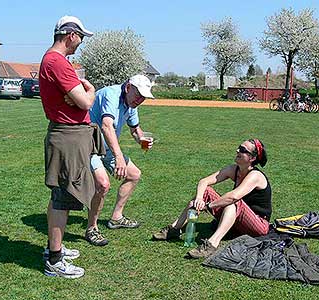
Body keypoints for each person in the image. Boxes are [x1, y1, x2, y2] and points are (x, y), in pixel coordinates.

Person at [39, 15, 98, 278]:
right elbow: (85, 102)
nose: (81, 42)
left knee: (60, 195)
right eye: (81, 37)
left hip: (67, 135)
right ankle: (54, 260)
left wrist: (79, 97)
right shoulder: (57, 62)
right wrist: (90, 91)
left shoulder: (52, 60)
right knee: (62, 198)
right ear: (70, 35)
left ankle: (56, 248)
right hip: (68, 137)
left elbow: (76, 100)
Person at [153, 139, 271, 259]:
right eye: (239, 147)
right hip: (237, 219)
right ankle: (174, 229)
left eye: (242, 150)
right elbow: (204, 181)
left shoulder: (255, 176)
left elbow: (233, 197)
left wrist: (208, 206)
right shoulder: (234, 169)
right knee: (207, 191)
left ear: (252, 158)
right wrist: (199, 199)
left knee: (234, 202)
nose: (237, 151)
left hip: (258, 225)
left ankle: (212, 244)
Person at [78, 75, 154, 246]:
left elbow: (135, 129)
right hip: (89, 146)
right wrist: (119, 157)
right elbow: (106, 126)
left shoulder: (131, 102)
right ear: (128, 87)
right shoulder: (111, 95)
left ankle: (116, 218)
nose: (140, 100)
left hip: (106, 148)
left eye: (143, 97)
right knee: (103, 184)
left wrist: (142, 139)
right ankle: (92, 228)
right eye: (138, 94)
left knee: (134, 175)